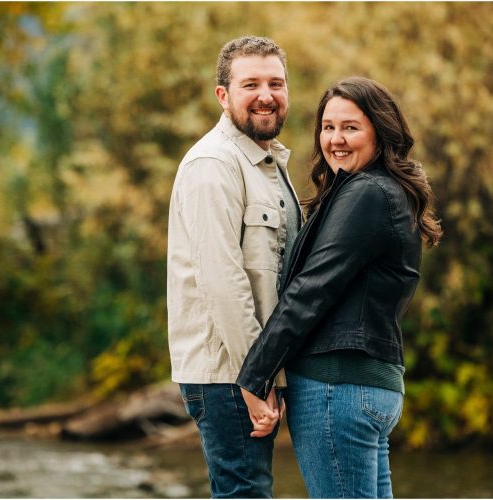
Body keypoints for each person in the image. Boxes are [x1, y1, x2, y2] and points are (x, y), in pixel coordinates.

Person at [237, 76, 442, 498]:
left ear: (380, 132)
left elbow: (312, 290)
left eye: (350, 127)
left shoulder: (367, 192)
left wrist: (254, 376)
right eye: (328, 128)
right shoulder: (386, 191)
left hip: (337, 390)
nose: (336, 139)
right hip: (369, 389)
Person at [167, 36, 301, 498]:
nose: (267, 94)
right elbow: (222, 282)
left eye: (276, 83)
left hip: (252, 368)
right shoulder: (213, 164)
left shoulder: (269, 163)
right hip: (229, 373)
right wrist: (255, 377)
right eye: (251, 84)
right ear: (223, 96)